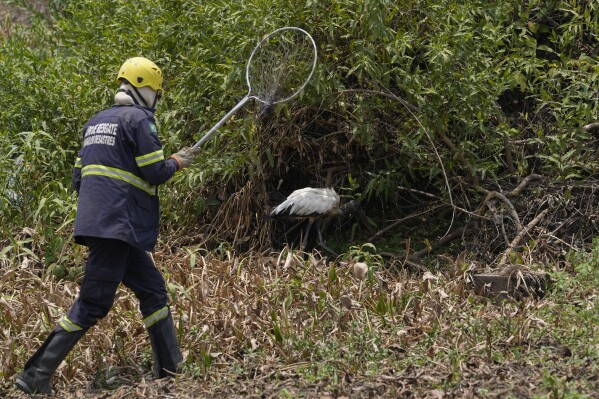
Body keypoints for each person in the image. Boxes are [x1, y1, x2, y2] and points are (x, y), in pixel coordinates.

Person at [15, 57, 197, 395]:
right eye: (155, 93)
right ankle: (36, 374)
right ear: (144, 89)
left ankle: (171, 369)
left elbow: (77, 179)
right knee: (92, 303)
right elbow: (155, 172)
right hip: (118, 225)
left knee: (153, 290)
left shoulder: (95, 122)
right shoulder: (141, 121)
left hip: (107, 225)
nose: (156, 99)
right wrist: (177, 161)